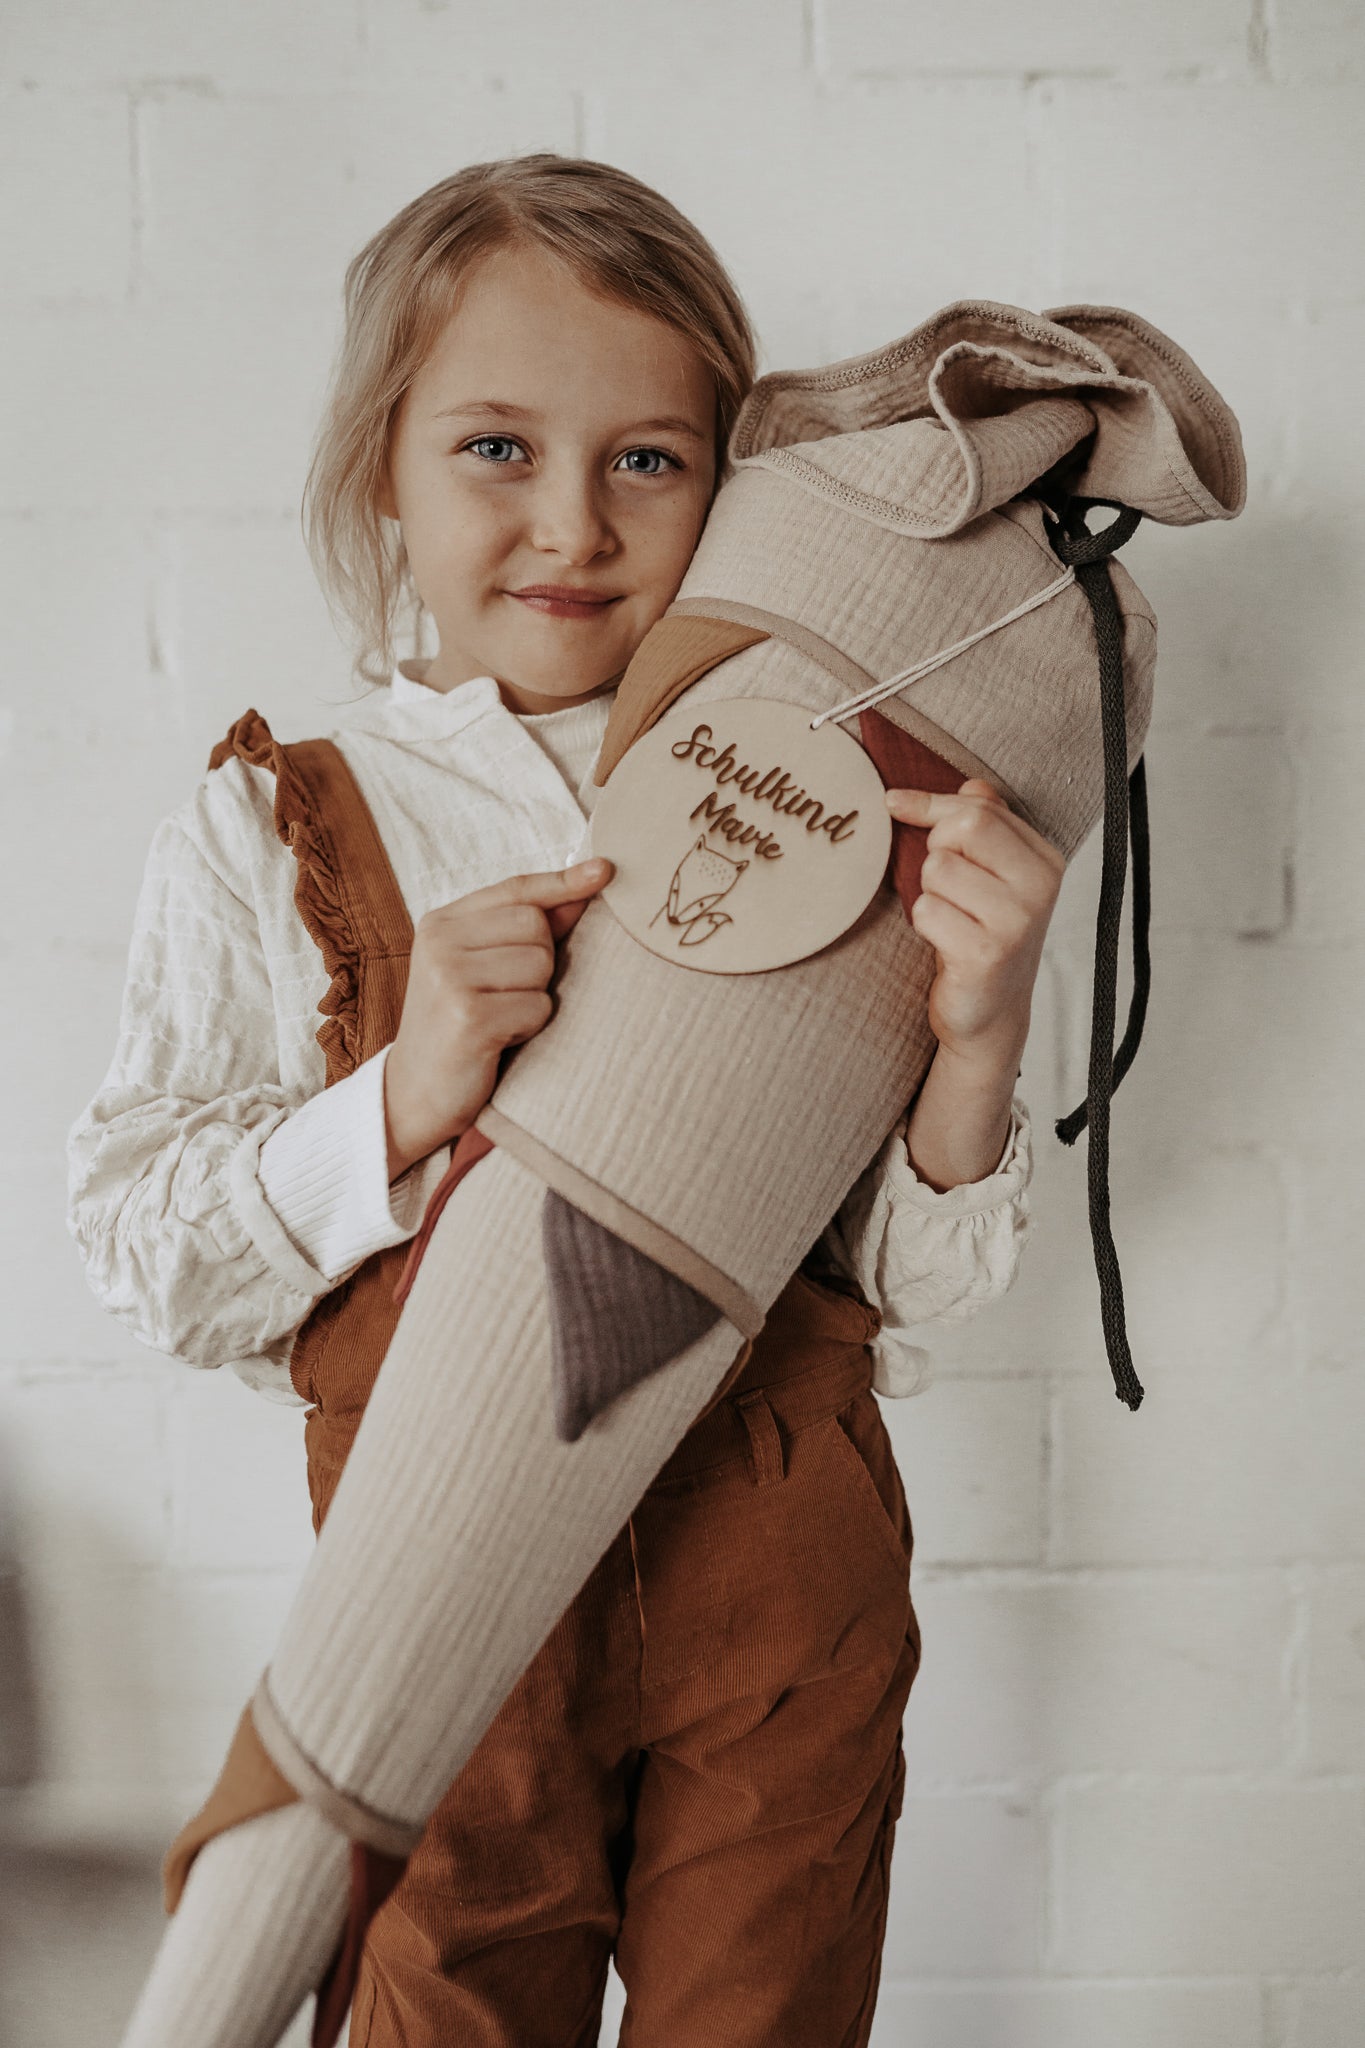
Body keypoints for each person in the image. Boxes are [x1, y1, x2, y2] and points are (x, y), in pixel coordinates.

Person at [69, 156, 1060, 2048]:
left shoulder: (822, 791)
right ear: (382, 465)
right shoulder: (273, 822)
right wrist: (404, 1095)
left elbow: (911, 1281)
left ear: (731, 490)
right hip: (445, 1596)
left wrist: (979, 1031)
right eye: (496, 448)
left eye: (648, 461)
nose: (572, 526)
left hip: (775, 1565)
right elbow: (149, 1256)